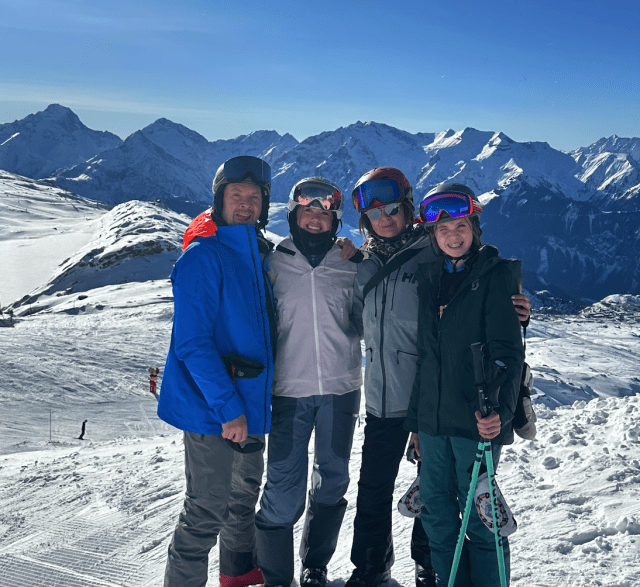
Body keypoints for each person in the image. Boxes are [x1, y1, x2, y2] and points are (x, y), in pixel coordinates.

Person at [345, 169, 531, 587]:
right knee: (402, 498)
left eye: (394, 208)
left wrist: (516, 307)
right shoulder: (367, 263)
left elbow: (497, 333)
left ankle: (435, 569)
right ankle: (378, 568)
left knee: (460, 505)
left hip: (451, 407)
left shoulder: (435, 258)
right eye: (376, 213)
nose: (386, 218)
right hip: (398, 404)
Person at [157, 155, 276, 587]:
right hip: (215, 408)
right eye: (235, 195)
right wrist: (227, 408)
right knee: (206, 508)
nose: (245, 204)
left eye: (254, 197)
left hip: (247, 404)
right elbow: (192, 343)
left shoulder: (254, 252)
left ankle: (238, 577)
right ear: (219, 200)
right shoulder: (203, 256)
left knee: (243, 500)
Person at [405, 182, 525, 587]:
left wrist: (500, 416)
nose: (452, 235)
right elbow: (426, 356)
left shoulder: (496, 275)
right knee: (436, 510)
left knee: (479, 514)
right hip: (433, 421)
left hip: (477, 418)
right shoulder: (430, 278)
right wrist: (416, 425)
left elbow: (509, 356)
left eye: (460, 226)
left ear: (474, 227)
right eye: (442, 230)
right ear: (432, 236)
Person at [255, 177, 363, 587]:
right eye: (307, 211)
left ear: (335, 220)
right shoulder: (273, 262)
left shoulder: (349, 262)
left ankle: (314, 566)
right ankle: (275, 578)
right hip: (289, 390)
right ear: (294, 214)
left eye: (324, 213)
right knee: (283, 487)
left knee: (333, 479)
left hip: (341, 387)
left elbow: (367, 318)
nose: (315, 219)